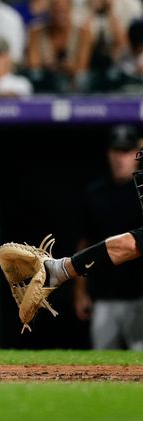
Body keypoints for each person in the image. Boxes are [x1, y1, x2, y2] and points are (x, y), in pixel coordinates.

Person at [71, 125, 143, 350]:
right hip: (104, 296)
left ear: (137, 154)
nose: (121, 158)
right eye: (116, 151)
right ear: (108, 154)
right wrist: (80, 292)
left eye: (127, 151)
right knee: (102, 364)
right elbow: (85, 242)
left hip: (140, 295)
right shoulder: (95, 193)